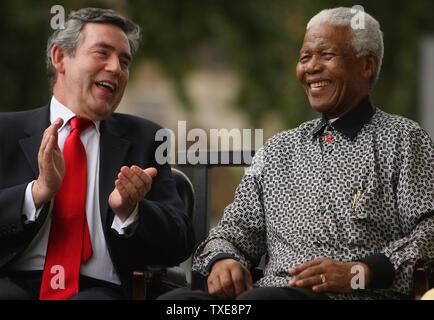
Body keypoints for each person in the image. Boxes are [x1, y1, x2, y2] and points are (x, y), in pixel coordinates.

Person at [159, 7, 434, 300]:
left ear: (366, 66)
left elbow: (430, 230)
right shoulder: (278, 150)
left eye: (326, 56)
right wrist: (222, 259)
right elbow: (232, 231)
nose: (311, 67)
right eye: (305, 57)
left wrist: (360, 272)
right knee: (176, 303)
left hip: (351, 296)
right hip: (269, 296)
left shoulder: (402, 138)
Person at [0, 7, 194, 300]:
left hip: (96, 290)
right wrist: (36, 193)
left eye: (124, 61)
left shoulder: (146, 138)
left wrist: (131, 211)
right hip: (7, 282)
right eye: (102, 53)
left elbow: (180, 242)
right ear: (60, 58)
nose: (116, 68)